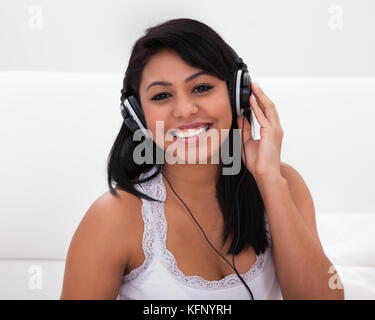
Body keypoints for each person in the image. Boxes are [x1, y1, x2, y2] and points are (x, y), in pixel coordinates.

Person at [60, 18, 344, 300]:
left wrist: (269, 179)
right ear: (137, 115)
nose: (184, 110)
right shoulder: (113, 217)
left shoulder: (284, 184)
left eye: (201, 88)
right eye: (161, 95)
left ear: (237, 94)